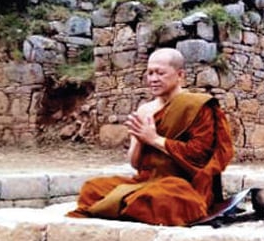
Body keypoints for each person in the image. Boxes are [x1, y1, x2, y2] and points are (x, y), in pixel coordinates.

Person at [66, 47, 234, 226]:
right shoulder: (145, 110)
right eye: (150, 73)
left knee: (161, 198)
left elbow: (201, 157)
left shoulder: (197, 106)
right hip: (147, 181)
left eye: (160, 73)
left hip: (183, 185)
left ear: (180, 75)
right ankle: (129, 206)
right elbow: (136, 164)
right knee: (92, 188)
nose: (153, 79)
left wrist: (154, 139)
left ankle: (122, 206)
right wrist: (138, 141)